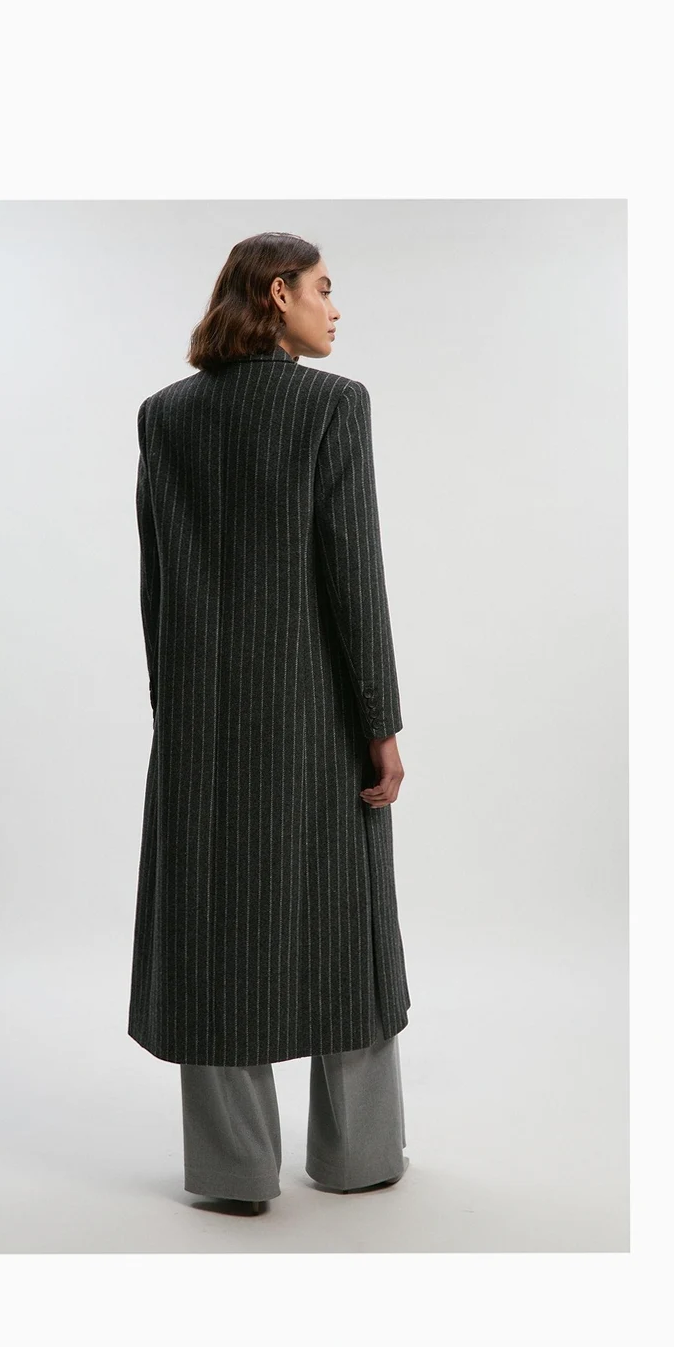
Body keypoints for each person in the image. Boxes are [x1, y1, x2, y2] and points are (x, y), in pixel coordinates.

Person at [130, 232, 410, 1214]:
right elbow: (353, 574)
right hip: (315, 721)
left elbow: (157, 588)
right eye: (324, 288)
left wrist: (179, 714)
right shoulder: (334, 406)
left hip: (201, 728)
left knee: (217, 936)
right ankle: (358, 1156)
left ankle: (233, 1172)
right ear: (278, 292)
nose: (335, 308)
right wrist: (381, 721)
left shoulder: (164, 415)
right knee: (346, 927)